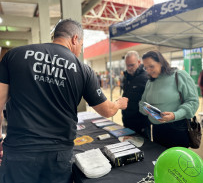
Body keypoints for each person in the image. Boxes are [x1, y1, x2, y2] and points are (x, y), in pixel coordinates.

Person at [0, 19, 128, 183]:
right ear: (75, 39)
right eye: (81, 45)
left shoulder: (14, 55)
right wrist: (118, 103)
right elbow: (107, 110)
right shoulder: (83, 70)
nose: (80, 51)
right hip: (57, 156)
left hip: (18, 152)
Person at [139, 50, 199, 148]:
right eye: (146, 68)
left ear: (161, 62)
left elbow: (193, 101)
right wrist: (148, 110)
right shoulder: (150, 82)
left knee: (177, 161)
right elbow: (142, 103)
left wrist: (175, 115)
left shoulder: (179, 75)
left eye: (151, 66)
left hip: (177, 128)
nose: (148, 70)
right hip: (156, 129)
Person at [122, 51, 150, 139]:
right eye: (127, 65)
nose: (129, 68)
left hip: (141, 124)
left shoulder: (146, 78)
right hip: (127, 122)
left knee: (145, 149)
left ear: (139, 62)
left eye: (132, 65)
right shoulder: (126, 77)